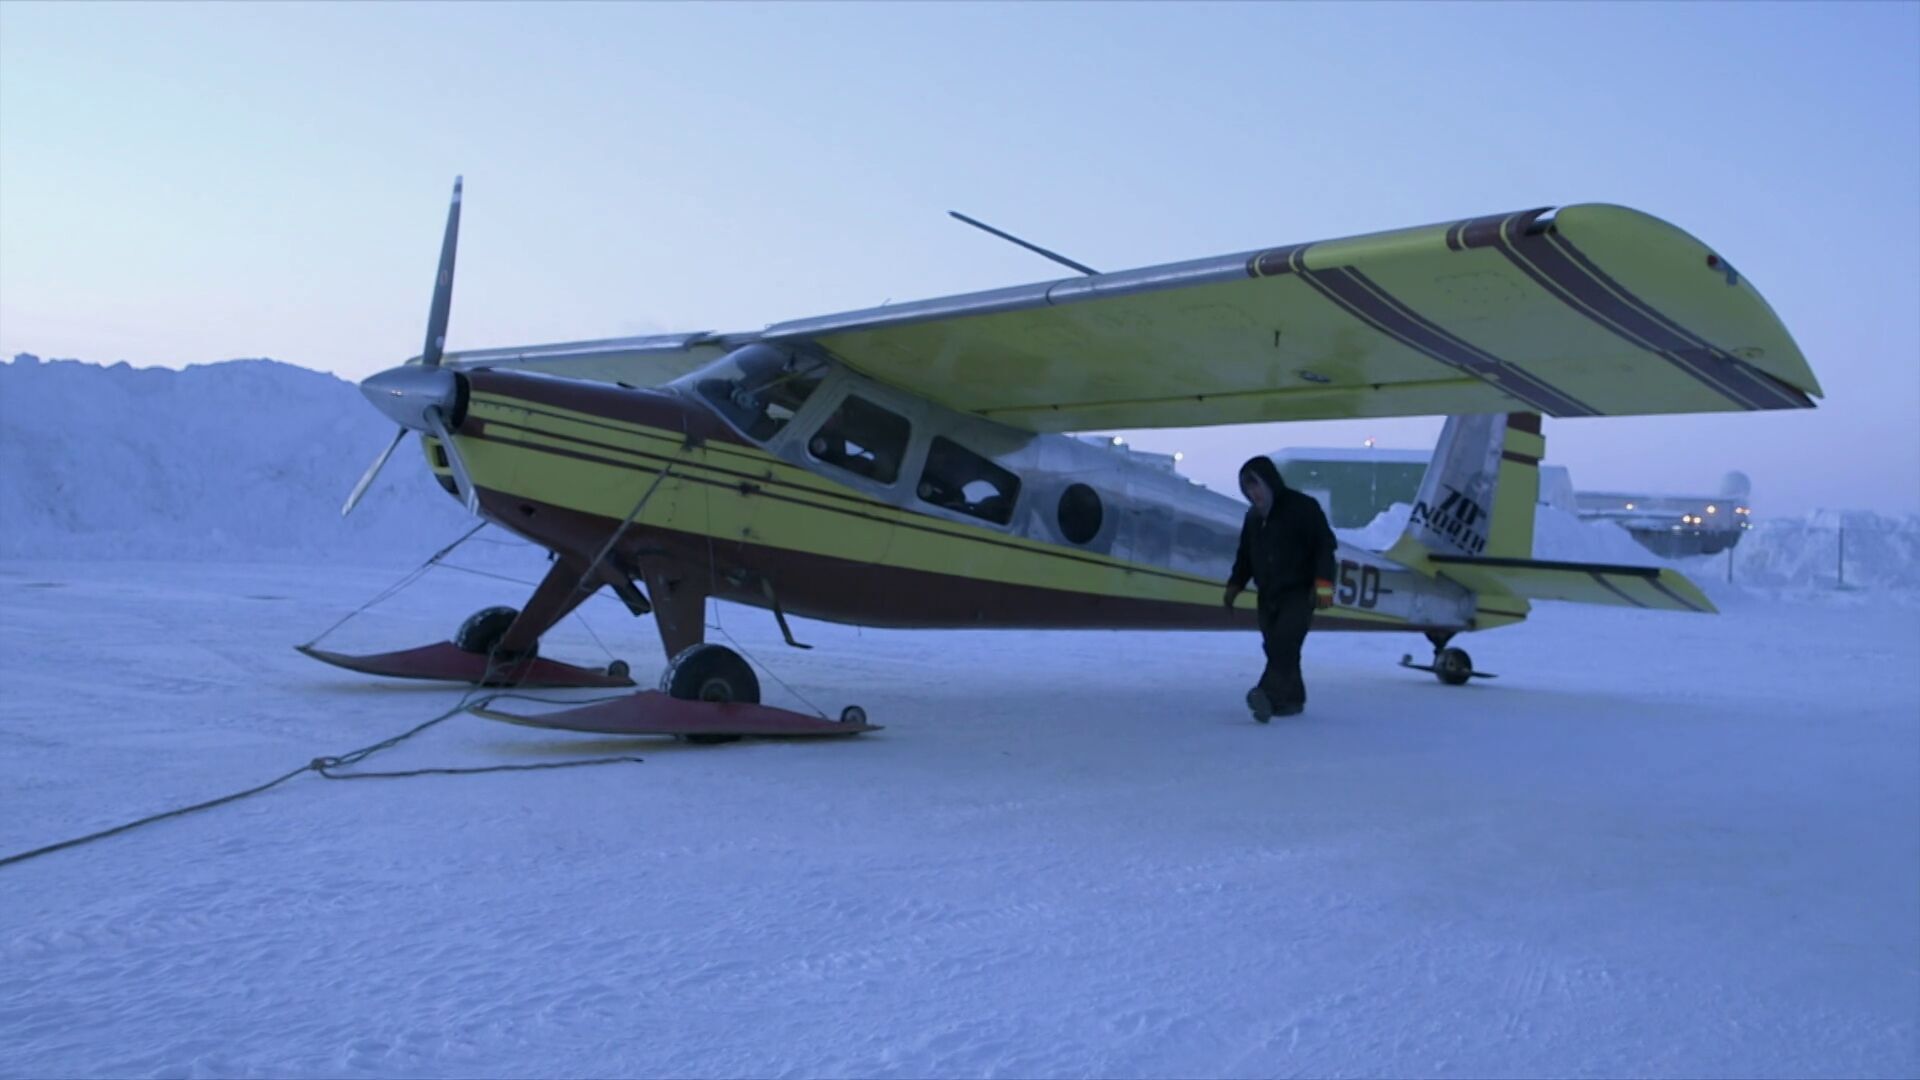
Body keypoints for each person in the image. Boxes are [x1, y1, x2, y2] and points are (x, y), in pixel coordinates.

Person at [1223, 456, 1337, 722]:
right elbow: (1245, 556)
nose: (1254, 493)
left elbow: (1324, 546)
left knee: (1283, 645)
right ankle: (1292, 700)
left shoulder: (1303, 508)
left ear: (1270, 482)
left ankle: (1266, 694)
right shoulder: (1253, 518)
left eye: (1257, 485)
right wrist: (1235, 585)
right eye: (1248, 488)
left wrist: (1323, 584)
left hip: (1299, 591)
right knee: (1278, 647)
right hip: (1269, 594)